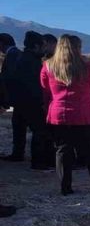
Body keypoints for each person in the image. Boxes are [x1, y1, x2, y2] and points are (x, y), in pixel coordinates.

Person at [40, 35, 90, 195]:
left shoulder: (48, 66)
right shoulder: (86, 65)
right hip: (84, 114)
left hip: (59, 114)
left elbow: (45, 89)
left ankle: (66, 187)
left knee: (63, 151)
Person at [17, 31, 54, 170]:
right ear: (36, 46)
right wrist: (42, 102)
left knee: (41, 131)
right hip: (33, 103)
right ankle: (39, 162)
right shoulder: (30, 61)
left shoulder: (27, 58)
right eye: (43, 47)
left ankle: (44, 161)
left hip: (28, 102)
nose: (45, 50)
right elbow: (34, 85)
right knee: (40, 131)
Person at [1, 33, 24, 161]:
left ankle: (18, 153)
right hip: (23, 97)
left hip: (19, 98)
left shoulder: (12, 55)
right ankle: (18, 152)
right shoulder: (18, 54)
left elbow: (8, 78)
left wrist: (6, 99)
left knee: (19, 125)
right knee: (19, 124)